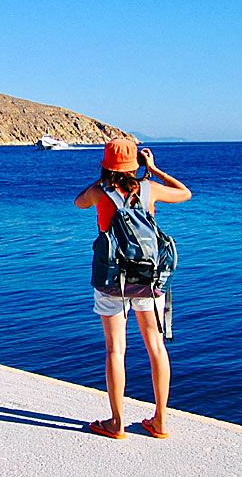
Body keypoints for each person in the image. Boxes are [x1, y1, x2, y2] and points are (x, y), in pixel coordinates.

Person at [74, 138, 191, 439]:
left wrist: (102, 179)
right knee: (156, 346)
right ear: (136, 164)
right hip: (148, 280)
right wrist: (154, 170)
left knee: (116, 349)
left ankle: (116, 423)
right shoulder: (149, 188)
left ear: (106, 164)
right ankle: (160, 421)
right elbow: (185, 193)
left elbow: (78, 201)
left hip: (112, 280)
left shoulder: (100, 192)